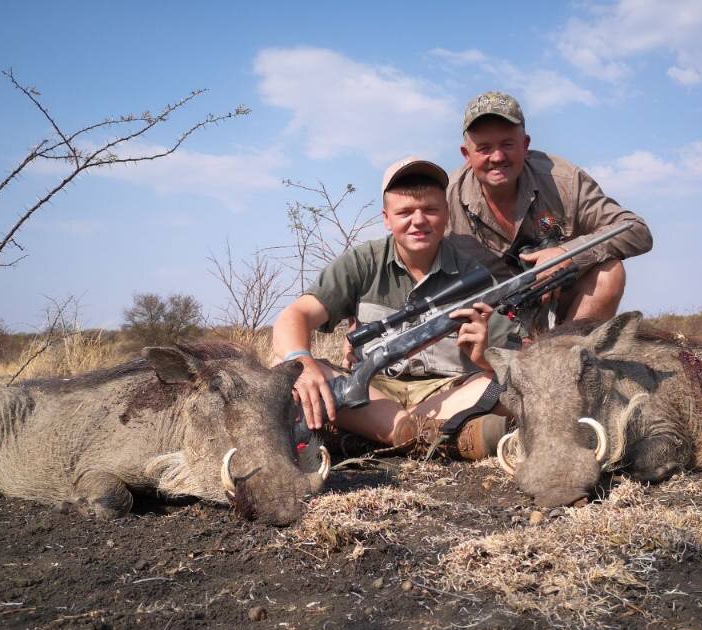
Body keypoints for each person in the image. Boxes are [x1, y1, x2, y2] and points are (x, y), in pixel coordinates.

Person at [272, 157, 515, 460]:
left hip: (449, 393)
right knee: (291, 375)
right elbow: (294, 316)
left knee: (510, 387)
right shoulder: (362, 261)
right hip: (373, 395)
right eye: (405, 212)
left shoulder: (474, 275)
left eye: (430, 209)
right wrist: (302, 361)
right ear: (386, 218)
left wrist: (484, 357)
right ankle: (449, 436)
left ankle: (383, 435)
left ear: (446, 214)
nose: (419, 220)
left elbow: (516, 361)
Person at [447, 91, 653, 327]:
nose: (497, 157)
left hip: (558, 310)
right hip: (490, 319)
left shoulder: (565, 181)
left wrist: (567, 255)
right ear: (466, 155)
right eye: (484, 148)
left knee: (610, 273)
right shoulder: (444, 199)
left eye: (507, 144)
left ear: (525, 145)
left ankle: (569, 356)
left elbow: (636, 230)